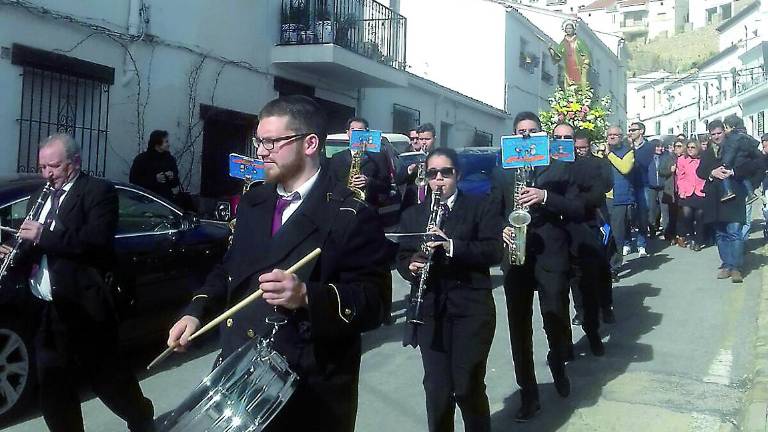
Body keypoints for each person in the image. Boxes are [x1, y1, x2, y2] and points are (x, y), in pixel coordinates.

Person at [166, 96, 391, 431]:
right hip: (243, 376)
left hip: (309, 391)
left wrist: (307, 296)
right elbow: (230, 267)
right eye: (260, 141)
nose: (261, 152)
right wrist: (195, 310)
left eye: (272, 142)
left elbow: (375, 302)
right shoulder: (254, 201)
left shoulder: (350, 213)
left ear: (310, 143)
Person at [0, 134, 154, 432]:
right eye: (43, 167)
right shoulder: (39, 197)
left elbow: (95, 242)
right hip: (46, 307)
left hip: (84, 305)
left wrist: (43, 235)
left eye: (54, 166)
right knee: (53, 387)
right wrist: (13, 251)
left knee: (106, 378)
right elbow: (35, 249)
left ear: (75, 162)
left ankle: (141, 417)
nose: (48, 174)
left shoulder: (98, 192)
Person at [396, 148, 502, 432]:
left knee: (467, 386)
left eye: (446, 173)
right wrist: (411, 266)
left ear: (458, 175)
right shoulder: (414, 215)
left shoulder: (480, 206)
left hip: (471, 307)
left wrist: (450, 245)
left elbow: (494, 251)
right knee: (437, 390)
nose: (439, 180)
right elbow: (402, 258)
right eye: (432, 174)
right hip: (430, 310)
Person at [490, 112, 584, 422]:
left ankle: (558, 361)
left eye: (532, 131)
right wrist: (501, 227)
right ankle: (528, 393)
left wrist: (544, 196)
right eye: (521, 132)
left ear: (541, 135)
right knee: (519, 327)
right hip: (515, 255)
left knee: (555, 316)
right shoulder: (503, 169)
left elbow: (577, 208)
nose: (526, 137)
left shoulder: (559, 167)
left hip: (550, 254)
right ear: (514, 135)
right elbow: (492, 212)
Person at [696, 120, 763, 283]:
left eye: (719, 133)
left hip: (734, 195)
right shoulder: (706, 152)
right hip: (714, 197)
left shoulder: (738, 146)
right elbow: (700, 171)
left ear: (724, 132)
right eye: (713, 134)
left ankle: (736, 267)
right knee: (720, 233)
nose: (717, 137)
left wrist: (735, 172)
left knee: (734, 231)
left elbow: (757, 164)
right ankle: (726, 264)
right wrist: (712, 172)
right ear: (709, 135)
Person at [567, 127, 614, 332]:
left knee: (601, 266)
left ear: (590, 146)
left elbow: (606, 185)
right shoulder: (566, 164)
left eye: (584, 148)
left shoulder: (600, 163)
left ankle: (605, 306)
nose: (580, 151)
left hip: (596, 218)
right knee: (575, 271)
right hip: (574, 220)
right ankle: (581, 309)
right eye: (577, 148)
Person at [328, 117, 392, 208]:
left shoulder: (378, 157)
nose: (356, 134)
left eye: (360, 131)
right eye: (353, 130)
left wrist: (369, 182)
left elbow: (386, 187)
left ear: (366, 133)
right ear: (348, 133)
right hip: (342, 207)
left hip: (368, 208)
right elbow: (331, 185)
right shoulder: (337, 158)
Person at [603, 125, 635, 280]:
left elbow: (625, 168)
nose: (613, 137)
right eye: (610, 135)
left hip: (619, 199)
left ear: (621, 137)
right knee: (603, 234)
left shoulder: (628, 152)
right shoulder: (601, 152)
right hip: (603, 198)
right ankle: (603, 265)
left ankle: (614, 267)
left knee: (617, 235)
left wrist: (609, 155)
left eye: (616, 134)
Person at [627, 121, 655, 257]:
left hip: (643, 184)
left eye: (633, 130)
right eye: (630, 130)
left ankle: (641, 244)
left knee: (643, 214)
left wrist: (632, 150)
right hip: (628, 183)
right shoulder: (626, 145)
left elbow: (642, 162)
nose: (630, 132)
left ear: (641, 131)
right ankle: (626, 242)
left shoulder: (649, 146)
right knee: (627, 214)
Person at [719, 114, 763, 204]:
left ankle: (728, 191)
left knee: (724, 174)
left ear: (732, 127)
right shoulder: (745, 136)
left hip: (736, 162)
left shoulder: (733, 138)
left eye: (726, 128)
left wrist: (725, 163)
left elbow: (731, 151)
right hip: (744, 162)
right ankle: (751, 193)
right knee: (744, 178)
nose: (725, 130)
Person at [129, 129, 181, 202]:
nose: (169, 144)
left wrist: (172, 177)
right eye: (166, 142)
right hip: (146, 201)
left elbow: (176, 183)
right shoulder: (141, 159)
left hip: (166, 202)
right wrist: (154, 179)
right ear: (157, 145)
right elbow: (134, 182)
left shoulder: (170, 159)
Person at [676, 140, 707, 251]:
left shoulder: (703, 159)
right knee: (687, 215)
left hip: (701, 191)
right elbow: (680, 177)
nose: (690, 149)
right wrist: (682, 190)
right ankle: (692, 236)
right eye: (688, 147)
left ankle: (698, 241)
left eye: (693, 147)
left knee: (700, 216)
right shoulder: (682, 160)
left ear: (698, 148)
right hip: (687, 191)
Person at [400, 123, 438, 211]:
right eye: (421, 139)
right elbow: (398, 180)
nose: (424, 142)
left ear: (434, 139)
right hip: (411, 203)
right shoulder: (411, 156)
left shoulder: (439, 156)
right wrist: (409, 170)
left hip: (430, 202)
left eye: (427, 139)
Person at [548, 20, 591, 87]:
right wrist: (551, 50)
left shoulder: (579, 42)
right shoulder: (563, 43)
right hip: (568, 69)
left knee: (579, 86)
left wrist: (585, 63)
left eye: (570, 28)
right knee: (569, 86)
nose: (569, 30)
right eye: (567, 28)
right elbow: (557, 57)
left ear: (574, 29)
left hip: (578, 68)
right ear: (565, 30)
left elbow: (586, 54)